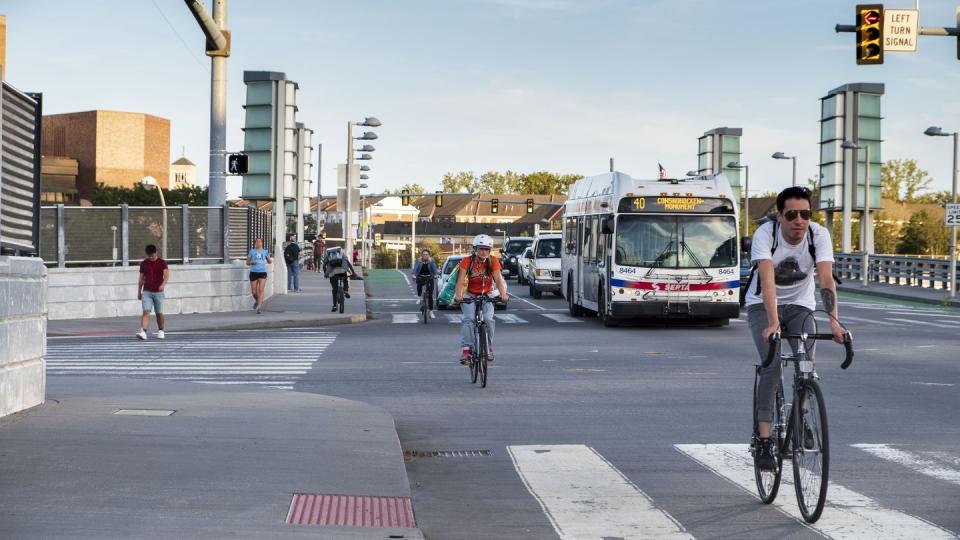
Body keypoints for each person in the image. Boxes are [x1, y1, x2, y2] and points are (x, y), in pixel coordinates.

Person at [744, 186, 845, 471]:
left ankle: (801, 419)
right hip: (762, 305)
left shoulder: (818, 234)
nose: (799, 220)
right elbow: (766, 281)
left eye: (805, 214)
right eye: (792, 215)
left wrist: (834, 322)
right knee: (772, 365)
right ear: (780, 216)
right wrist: (773, 323)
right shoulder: (766, 235)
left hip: (801, 305)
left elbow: (826, 280)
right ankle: (764, 441)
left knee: (806, 365)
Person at [454, 234, 509, 365]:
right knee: (469, 319)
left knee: (489, 319)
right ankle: (467, 350)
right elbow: (460, 281)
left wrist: (503, 294)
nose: (484, 251)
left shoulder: (493, 261)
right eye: (481, 248)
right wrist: (458, 295)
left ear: (489, 250)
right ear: (475, 249)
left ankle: (488, 347)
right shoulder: (467, 261)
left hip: (487, 295)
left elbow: (498, 279)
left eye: (486, 249)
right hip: (470, 294)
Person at [136, 244, 169, 340]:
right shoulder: (144, 263)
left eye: (152, 255)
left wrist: (162, 285)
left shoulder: (162, 263)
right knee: (146, 312)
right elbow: (141, 279)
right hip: (147, 291)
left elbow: (166, 276)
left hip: (159, 292)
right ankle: (144, 332)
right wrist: (139, 292)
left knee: (159, 313)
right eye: (149, 256)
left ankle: (161, 330)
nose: (151, 257)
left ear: (156, 253)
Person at [324, 246, 356, 311]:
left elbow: (324, 265)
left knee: (334, 289)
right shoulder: (342, 253)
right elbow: (348, 263)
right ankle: (346, 290)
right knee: (345, 279)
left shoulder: (328, 254)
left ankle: (334, 306)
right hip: (342, 271)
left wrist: (326, 274)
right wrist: (353, 272)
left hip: (333, 273)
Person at [246, 238, 272, 315]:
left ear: (262, 243)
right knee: (254, 292)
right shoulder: (252, 251)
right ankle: (258, 301)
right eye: (257, 242)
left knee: (261, 290)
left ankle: (259, 307)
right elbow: (247, 262)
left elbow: (269, 262)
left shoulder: (265, 252)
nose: (258, 243)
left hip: (262, 272)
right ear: (255, 243)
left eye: (260, 242)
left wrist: (268, 259)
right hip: (253, 272)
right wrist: (251, 262)